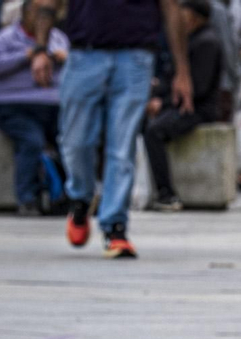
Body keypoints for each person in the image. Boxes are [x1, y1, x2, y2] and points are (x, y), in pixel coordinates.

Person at [50, 0, 193, 259]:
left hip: (136, 55)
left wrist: (182, 70)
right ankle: (81, 197)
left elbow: (171, 7)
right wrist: (40, 48)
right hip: (85, 53)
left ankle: (115, 227)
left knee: (122, 144)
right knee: (75, 141)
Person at [0, 0, 68, 215]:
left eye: (49, 12)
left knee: (71, 141)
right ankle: (27, 198)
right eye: (40, 12)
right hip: (13, 105)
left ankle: (70, 197)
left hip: (54, 106)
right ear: (25, 12)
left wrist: (65, 59)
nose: (44, 18)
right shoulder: (6, 37)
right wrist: (25, 56)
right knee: (32, 140)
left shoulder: (59, 38)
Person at [141, 0, 222, 213]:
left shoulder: (207, 42)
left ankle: (166, 193)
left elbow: (199, 88)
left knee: (155, 131)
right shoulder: (188, 41)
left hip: (197, 109)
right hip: (179, 104)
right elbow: (170, 78)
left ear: (194, 16)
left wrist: (164, 102)